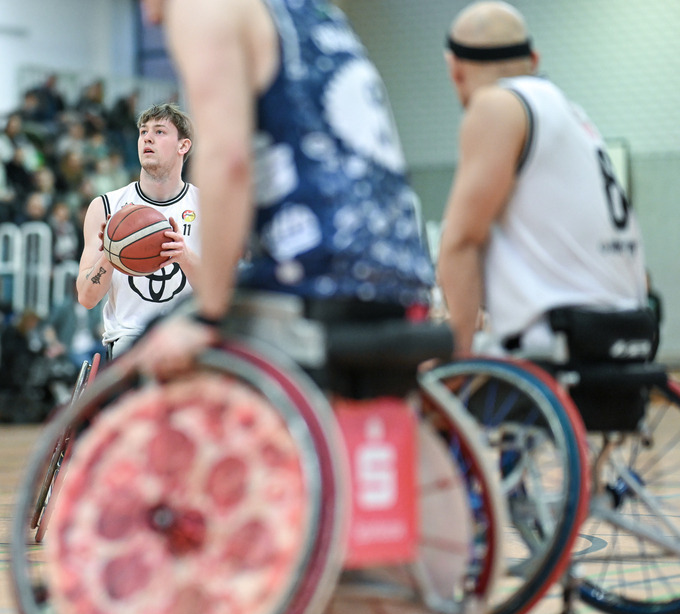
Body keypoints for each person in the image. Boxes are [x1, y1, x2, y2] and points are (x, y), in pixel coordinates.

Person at [133, 0, 433, 378]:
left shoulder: (202, 6)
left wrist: (207, 318)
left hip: (321, 275)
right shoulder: (313, 11)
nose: (148, 15)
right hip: (404, 277)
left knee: (142, 358)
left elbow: (228, 160)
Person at [436, 1, 646, 358]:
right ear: (534, 59)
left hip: (560, 344)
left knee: (424, 391)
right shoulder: (570, 112)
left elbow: (461, 243)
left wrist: (452, 366)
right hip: (631, 332)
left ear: (453, 68)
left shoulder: (496, 106)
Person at [75, 102, 201, 359]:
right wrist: (110, 254)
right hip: (128, 343)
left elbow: (223, 297)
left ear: (183, 146)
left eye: (159, 132)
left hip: (186, 341)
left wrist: (183, 256)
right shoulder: (106, 207)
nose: (148, 138)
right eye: (143, 132)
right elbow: (86, 298)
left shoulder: (208, 208)